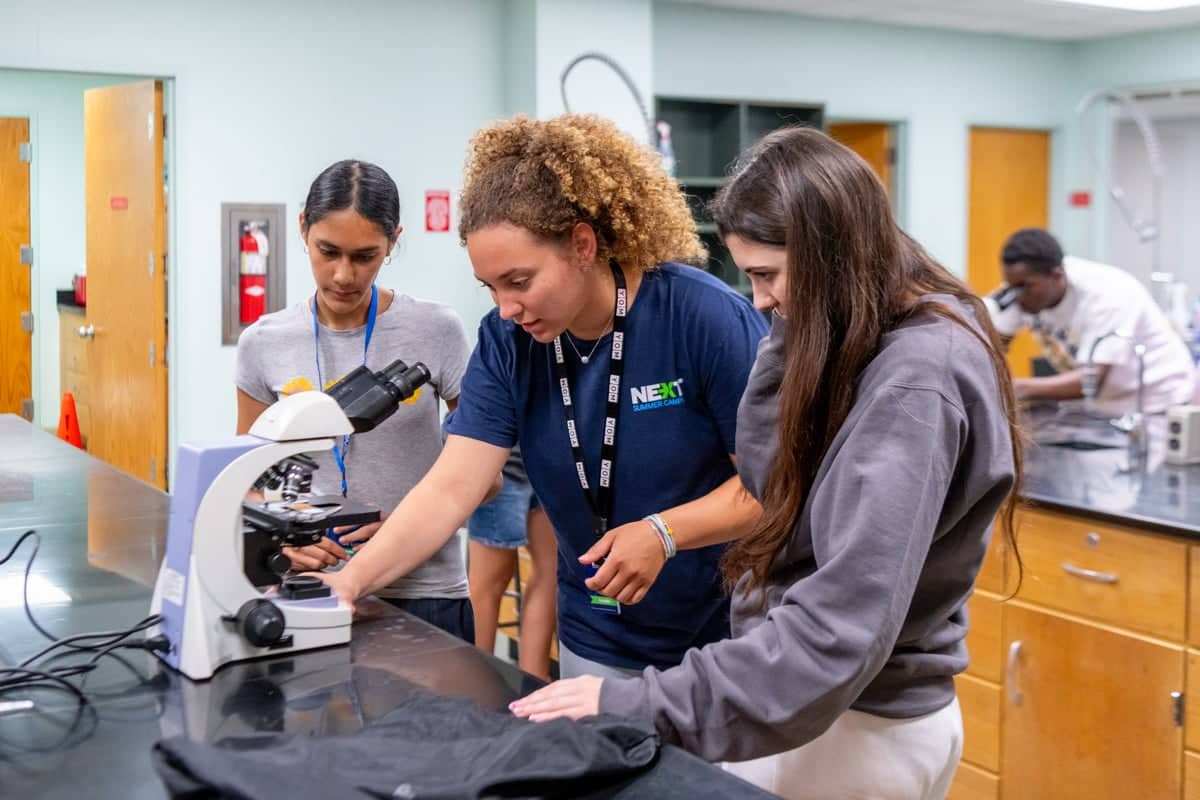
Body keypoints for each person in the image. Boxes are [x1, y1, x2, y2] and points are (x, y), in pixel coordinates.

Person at [509, 127, 1023, 800]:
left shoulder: (915, 379)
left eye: (767, 276)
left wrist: (637, 704)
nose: (757, 302)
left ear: (834, 257)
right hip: (826, 719)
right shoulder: (855, 326)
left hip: (852, 731)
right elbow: (768, 475)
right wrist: (792, 328)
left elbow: (834, 633)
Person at [315, 114, 768, 678]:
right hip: (593, 638)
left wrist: (664, 533)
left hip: (718, 641)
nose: (505, 307)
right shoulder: (509, 341)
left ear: (581, 245)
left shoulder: (703, 318)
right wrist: (349, 584)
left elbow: (771, 487)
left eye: (520, 281)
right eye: (491, 287)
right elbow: (454, 485)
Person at [236, 159, 475, 641]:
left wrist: (409, 526)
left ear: (393, 241)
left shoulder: (436, 331)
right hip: (308, 585)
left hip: (424, 591)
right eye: (328, 252)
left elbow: (483, 476)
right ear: (302, 228)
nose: (344, 274)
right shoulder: (263, 342)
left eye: (365, 256)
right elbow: (248, 480)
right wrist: (284, 542)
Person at [983, 227, 1194, 413]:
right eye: (1010, 285)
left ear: (1057, 276)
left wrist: (1015, 388)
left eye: (1024, 286)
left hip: (1158, 399)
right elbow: (996, 348)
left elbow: (1090, 380)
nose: (1016, 295)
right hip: (1106, 402)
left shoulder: (1107, 293)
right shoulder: (1021, 293)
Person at [467, 445, 557, 680]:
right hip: (496, 461)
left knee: (552, 573)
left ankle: (535, 683)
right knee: (489, 585)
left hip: (546, 460)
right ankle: (476, 685)